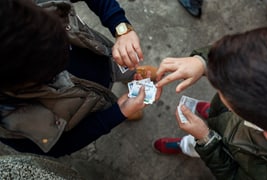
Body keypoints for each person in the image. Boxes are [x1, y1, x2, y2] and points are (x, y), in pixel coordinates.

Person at [152, 20, 267, 180]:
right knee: (217, 113)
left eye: (225, 98)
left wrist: (205, 139)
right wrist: (203, 62)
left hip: (221, 146)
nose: (219, 92)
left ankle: (187, 145)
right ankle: (212, 113)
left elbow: (232, 175)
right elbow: (244, 55)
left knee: (202, 136)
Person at [0, 0, 157, 158]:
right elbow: (59, 146)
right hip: (90, 107)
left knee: (131, 69)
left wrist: (121, 28)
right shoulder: (9, 121)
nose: (67, 50)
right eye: (55, 67)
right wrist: (116, 114)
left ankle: (132, 75)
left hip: (104, 55)